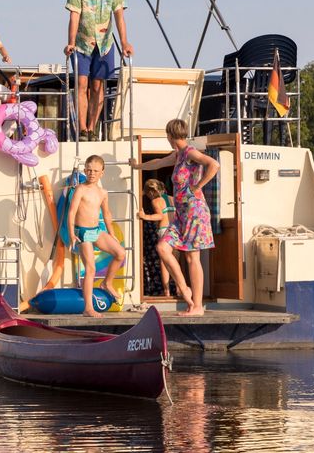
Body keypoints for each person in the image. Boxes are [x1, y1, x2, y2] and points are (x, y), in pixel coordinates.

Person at [130, 118, 219, 316]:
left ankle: (196, 306)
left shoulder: (189, 152)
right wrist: (137, 167)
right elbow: (159, 162)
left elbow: (213, 165)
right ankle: (185, 290)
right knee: (163, 247)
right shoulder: (179, 155)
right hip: (180, 214)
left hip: (194, 211)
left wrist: (198, 186)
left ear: (170, 136)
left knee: (191, 256)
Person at [64, 0, 133, 138]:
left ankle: (92, 127)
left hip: (104, 43)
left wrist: (125, 42)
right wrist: (70, 42)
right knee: (81, 84)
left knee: (97, 86)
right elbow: (74, 14)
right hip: (82, 43)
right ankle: (82, 129)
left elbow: (119, 14)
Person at [67, 155, 126, 316]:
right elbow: (71, 213)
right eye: (89, 170)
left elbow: (106, 214)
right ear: (85, 170)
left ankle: (107, 283)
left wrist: (112, 233)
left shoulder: (102, 192)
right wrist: (72, 233)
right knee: (91, 268)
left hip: (96, 230)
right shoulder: (80, 189)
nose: (92, 173)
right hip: (83, 233)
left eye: (95, 171)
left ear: (102, 172)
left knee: (120, 254)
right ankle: (88, 308)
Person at [139, 179, 174, 297]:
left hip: (164, 231)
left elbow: (159, 216)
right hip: (175, 231)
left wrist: (145, 216)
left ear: (150, 192)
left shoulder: (156, 201)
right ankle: (179, 288)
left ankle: (167, 291)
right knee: (175, 262)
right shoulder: (171, 199)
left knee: (164, 263)